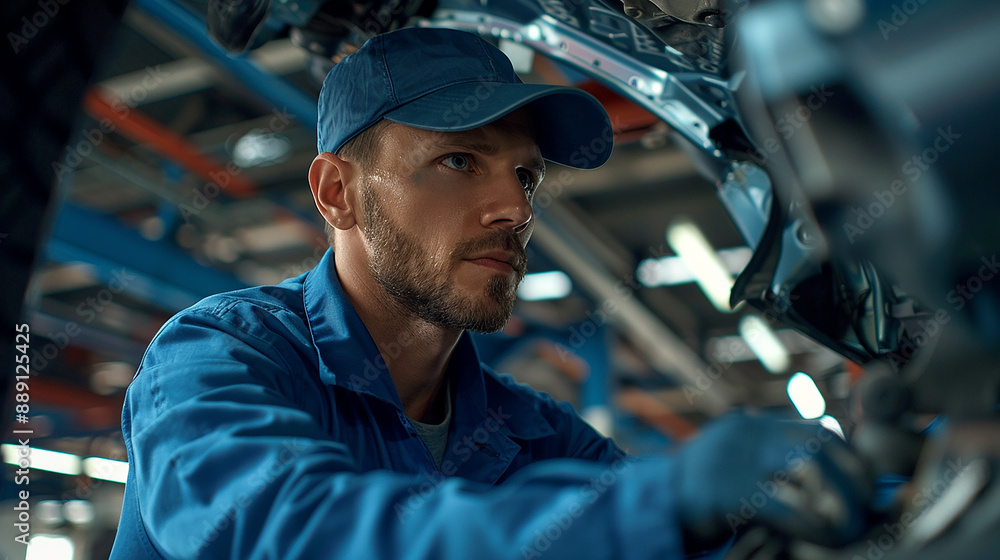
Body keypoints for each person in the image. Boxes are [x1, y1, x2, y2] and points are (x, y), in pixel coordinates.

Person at [109, 27, 872, 559]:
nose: (517, 208)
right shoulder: (216, 359)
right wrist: (662, 502)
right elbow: (293, 535)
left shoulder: (532, 433)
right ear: (337, 192)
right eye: (461, 162)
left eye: (527, 175)